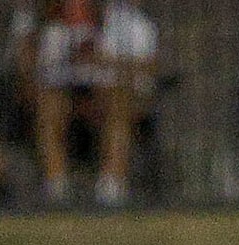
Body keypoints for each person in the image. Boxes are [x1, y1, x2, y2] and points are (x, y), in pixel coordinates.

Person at [18, 0, 159, 207]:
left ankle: (111, 190)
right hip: (65, 97)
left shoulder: (130, 22)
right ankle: (57, 187)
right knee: (49, 106)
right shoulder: (47, 21)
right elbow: (27, 69)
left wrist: (103, 61)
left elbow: (148, 69)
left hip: (111, 99)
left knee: (118, 103)